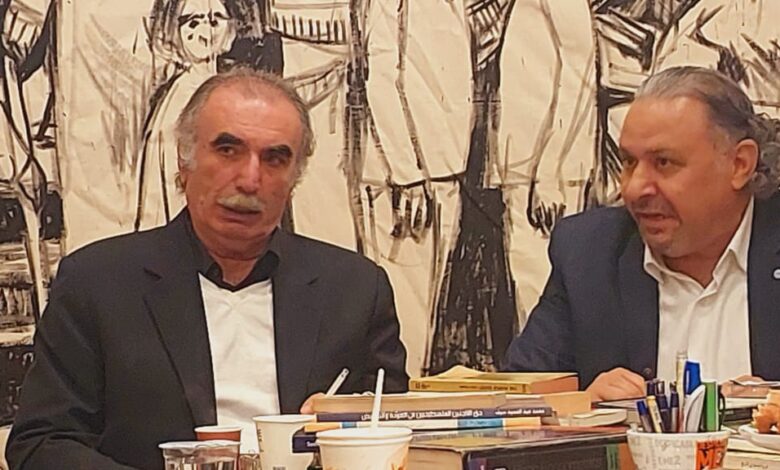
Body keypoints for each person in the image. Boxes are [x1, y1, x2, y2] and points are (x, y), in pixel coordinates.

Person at [6, 67, 408, 469]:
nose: (250, 179)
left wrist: (350, 431)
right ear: (185, 162)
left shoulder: (355, 289)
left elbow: (399, 434)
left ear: (294, 179)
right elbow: (42, 444)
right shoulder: (98, 283)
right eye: (228, 150)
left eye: (274, 158)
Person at [503, 66, 780, 402]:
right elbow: (517, 402)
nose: (634, 189)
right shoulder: (589, 253)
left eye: (664, 163)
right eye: (629, 163)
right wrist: (581, 406)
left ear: (739, 164)